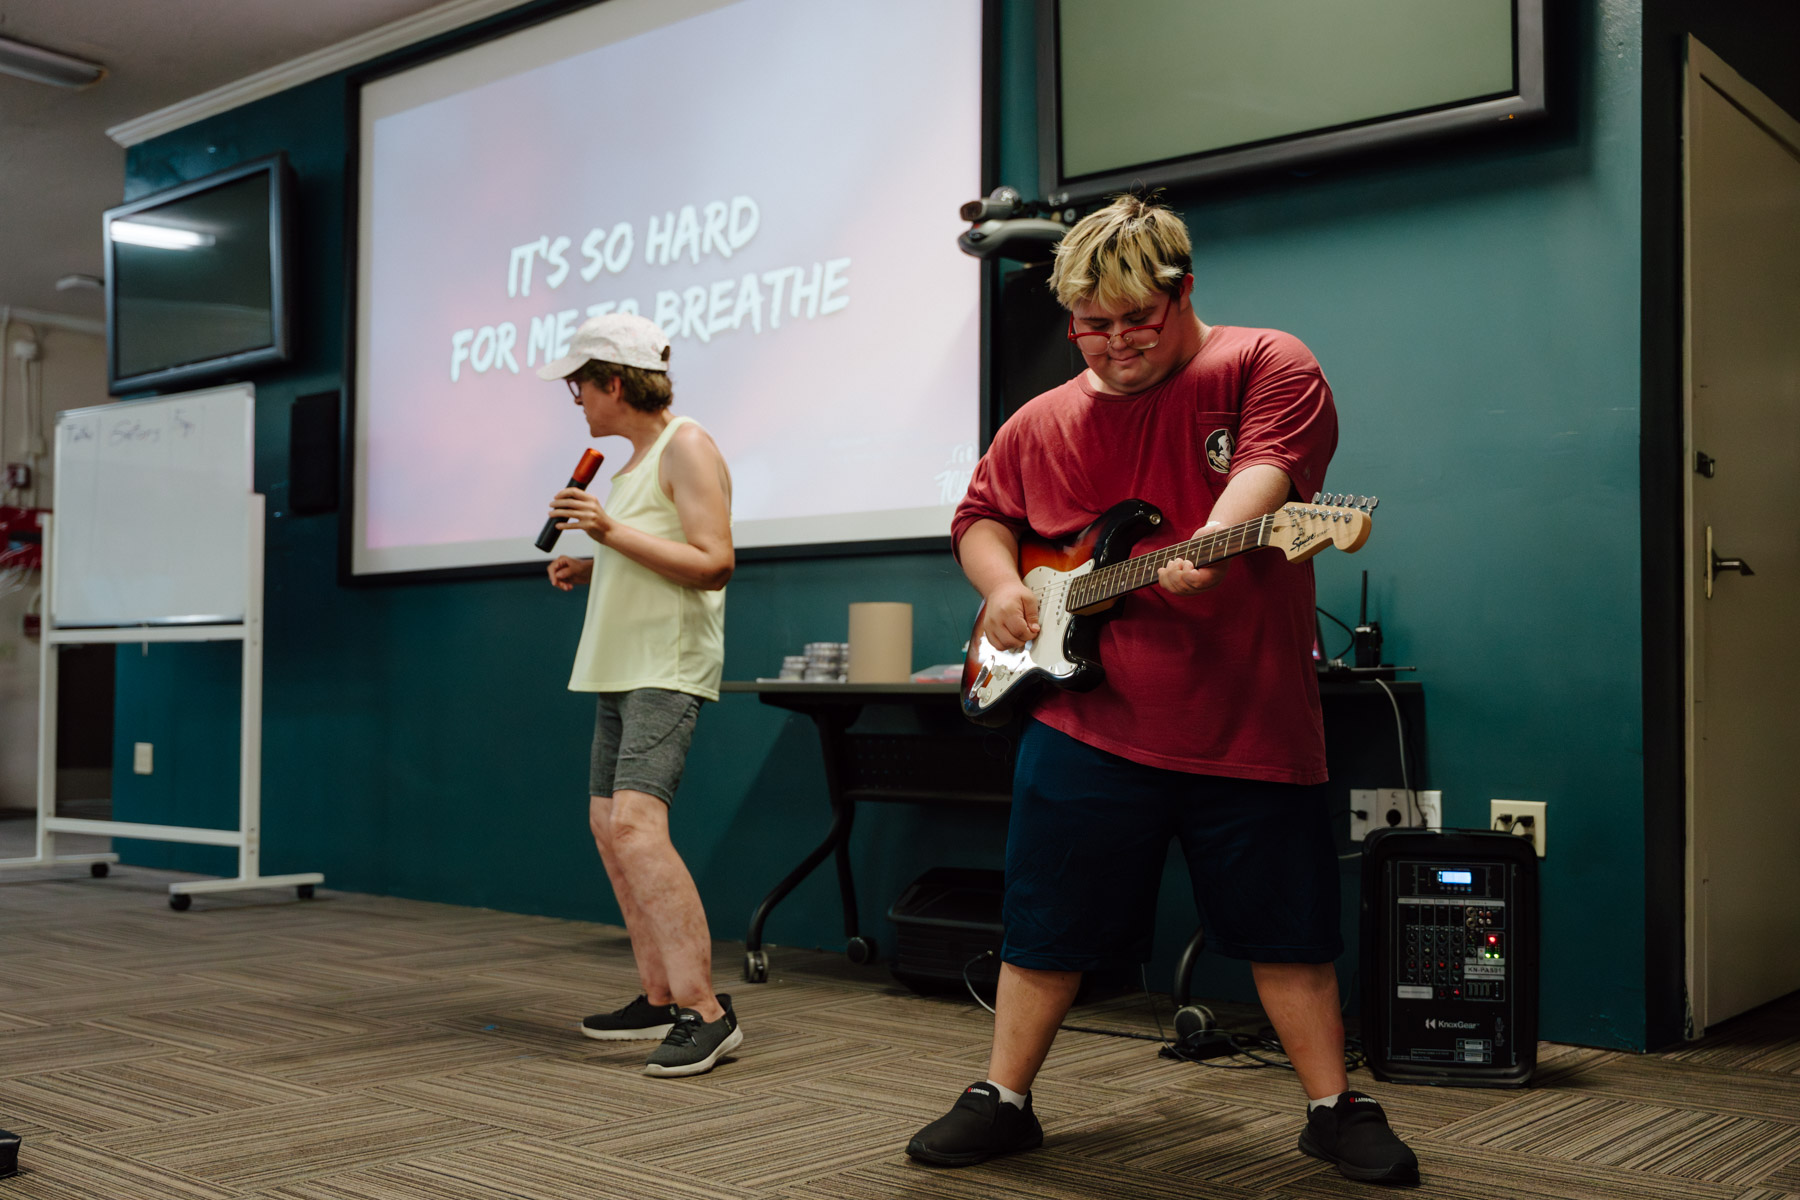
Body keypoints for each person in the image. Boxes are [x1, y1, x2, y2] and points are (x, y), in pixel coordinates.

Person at [905, 196, 1420, 1185]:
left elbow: (1270, 466)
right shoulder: (1041, 419)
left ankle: (1333, 1107)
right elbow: (980, 516)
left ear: (1182, 292)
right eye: (1089, 326)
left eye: (1134, 321)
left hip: (1250, 715)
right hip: (1084, 719)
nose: (1112, 344)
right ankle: (1003, 1098)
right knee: (1044, 927)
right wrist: (1004, 587)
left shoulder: (1267, 362)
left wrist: (1212, 542)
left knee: (1291, 931)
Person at [537, 312, 742, 1078]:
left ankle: (706, 1012)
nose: (577, 401)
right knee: (608, 824)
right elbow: (663, 552)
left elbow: (714, 561)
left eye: (580, 387)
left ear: (615, 384)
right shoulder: (635, 464)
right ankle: (659, 996)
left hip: (666, 662)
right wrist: (594, 564)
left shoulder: (687, 443)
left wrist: (607, 535)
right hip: (621, 662)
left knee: (636, 826)